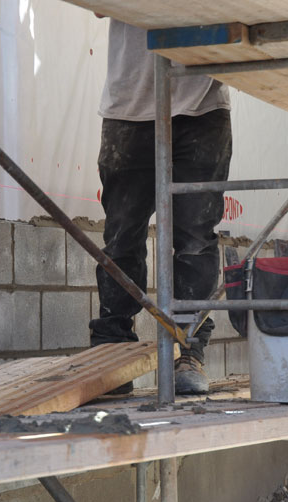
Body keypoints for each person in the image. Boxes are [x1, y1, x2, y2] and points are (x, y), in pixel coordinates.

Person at [89, 18, 233, 395]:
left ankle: (188, 351)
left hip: (201, 106)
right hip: (130, 105)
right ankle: (112, 352)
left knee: (195, 239)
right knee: (121, 238)